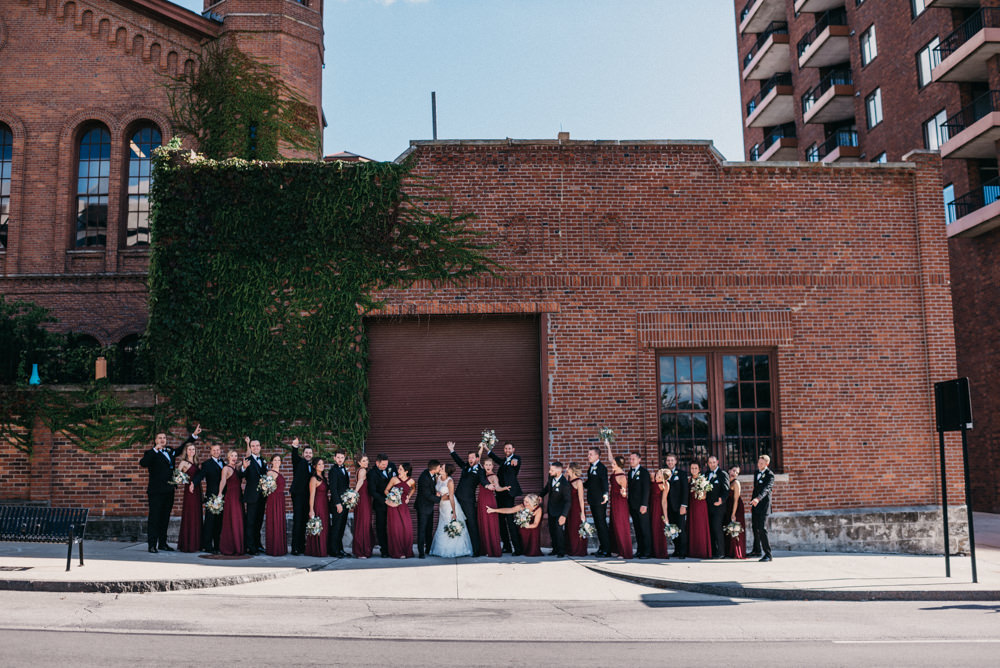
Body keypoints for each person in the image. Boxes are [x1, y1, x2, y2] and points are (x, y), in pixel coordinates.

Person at [138, 427, 197, 553]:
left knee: (165, 518)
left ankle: (163, 543)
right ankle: (152, 545)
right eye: (160, 438)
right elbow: (143, 463)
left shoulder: (170, 451)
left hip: (169, 490)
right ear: (155, 440)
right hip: (156, 491)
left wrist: (193, 436)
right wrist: (155, 450)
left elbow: (181, 449)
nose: (162, 440)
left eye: (164, 438)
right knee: (154, 518)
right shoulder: (150, 453)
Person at [447, 441, 489, 557]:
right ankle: (460, 548)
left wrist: (487, 485)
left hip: (469, 501)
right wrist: (452, 450)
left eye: (472, 457)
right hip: (457, 498)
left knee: (471, 524)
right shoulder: (465, 466)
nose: (470, 459)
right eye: (469, 457)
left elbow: (483, 480)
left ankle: (476, 550)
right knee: (457, 521)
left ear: (477, 458)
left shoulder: (480, 470)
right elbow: (458, 460)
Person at [430, 463, 474, 558]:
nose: (440, 468)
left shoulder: (450, 481)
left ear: (446, 471)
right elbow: (435, 491)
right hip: (441, 506)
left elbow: (451, 497)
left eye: (442, 468)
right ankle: (440, 549)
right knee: (442, 525)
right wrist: (437, 494)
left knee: (450, 523)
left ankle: (456, 549)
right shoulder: (437, 478)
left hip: (449, 506)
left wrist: (454, 512)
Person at [487, 440, 523, 555]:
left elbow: (517, 461)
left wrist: (515, 459)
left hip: (508, 494)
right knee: (501, 521)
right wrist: (487, 448)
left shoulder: (515, 459)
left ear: (513, 450)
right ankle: (507, 546)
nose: (507, 450)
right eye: (505, 449)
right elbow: (494, 457)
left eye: (509, 448)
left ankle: (517, 548)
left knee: (510, 520)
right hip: (500, 494)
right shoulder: (503, 461)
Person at [191, 441, 225, 554]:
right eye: (214, 450)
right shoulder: (207, 464)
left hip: (222, 497)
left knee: (219, 522)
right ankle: (207, 545)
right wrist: (193, 483)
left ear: (220, 451)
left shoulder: (223, 463)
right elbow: (200, 476)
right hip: (212, 497)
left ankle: (217, 546)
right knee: (210, 522)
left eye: (218, 450)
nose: (216, 452)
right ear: (211, 452)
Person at [605, 440, 633, 559]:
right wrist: (608, 446)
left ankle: (625, 551)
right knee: (614, 525)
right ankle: (615, 549)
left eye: (614, 464)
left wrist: (623, 492)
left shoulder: (622, 476)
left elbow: (625, 492)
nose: (612, 465)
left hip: (620, 503)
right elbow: (611, 459)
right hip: (614, 502)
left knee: (621, 525)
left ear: (619, 465)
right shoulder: (615, 471)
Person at [538, 461, 571, 557]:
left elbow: (568, 501)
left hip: (560, 511)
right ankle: (555, 549)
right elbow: (546, 489)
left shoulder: (565, 484)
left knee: (559, 531)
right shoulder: (551, 478)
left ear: (559, 471)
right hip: (551, 509)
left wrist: (564, 515)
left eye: (552, 470)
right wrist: (540, 495)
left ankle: (561, 551)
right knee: (552, 530)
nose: (549, 471)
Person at [241, 437, 267, 555]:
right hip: (252, 495)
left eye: (257, 446)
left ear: (260, 447)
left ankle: (258, 544)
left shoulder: (263, 460)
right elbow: (241, 475)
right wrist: (243, 468)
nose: (255, 448)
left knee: (259, 521)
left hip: (262, 496)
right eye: (253, 446)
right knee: (250, 522)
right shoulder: (247, 460)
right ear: (250, 448)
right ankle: (250, 547)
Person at [477, 454, 507, 557]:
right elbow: (478, 459)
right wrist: (481, 447)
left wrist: (504, 488)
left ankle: (493, 549)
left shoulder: (494, 476)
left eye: (490, 464)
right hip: (481, 500)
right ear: (484, 465)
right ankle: (485, 549)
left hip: (489, 500)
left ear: (493, 466)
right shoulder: (481, 474)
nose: (488, 466)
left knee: (490, 524)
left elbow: (497, 488)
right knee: (483, 524)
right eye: (486, 464)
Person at [584, 446, 611, 557]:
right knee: (598, 524)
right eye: (588, 454)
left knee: (602, 524)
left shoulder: (601, 468)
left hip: (600, 501)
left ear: (597, 456)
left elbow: (604, 482)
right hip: (592, 500)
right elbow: (589, 483)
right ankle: (601, 547)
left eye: (590, 454)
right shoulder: (590, 468)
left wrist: (605, 494)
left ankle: (607, 550)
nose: (588, 456)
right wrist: (578, 484)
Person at [369, 454, 397, 557]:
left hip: (394, 503)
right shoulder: (372, 473)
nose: (386, 466)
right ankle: (384, 550)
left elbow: (397, 481)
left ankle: (394, 548)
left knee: (393, 526)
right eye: (383, 464)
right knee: (381, 527)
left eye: (386, 464)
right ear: (377, 463)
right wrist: (385, 500)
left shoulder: (392, 466)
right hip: (380, 505)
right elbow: (372, 491)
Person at [289, 438, 314, 555]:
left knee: (304, 521)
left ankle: (302, 546)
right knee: (298, 520)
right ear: (303, 454)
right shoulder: (299, 462)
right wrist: (295, 447)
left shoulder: (313, 466)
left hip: (307, 497)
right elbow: (294, 456)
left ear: (312, 455)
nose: (308, 454)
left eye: (310, 453)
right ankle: (295, 547)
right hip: (298, 495)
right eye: (306, 453)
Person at [385, 463, 416, 559]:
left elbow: (414, 489)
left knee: (406, 528)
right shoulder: (394, 479)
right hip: (393, 506)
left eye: (401, 469)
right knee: (396, 529)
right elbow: (386, 490)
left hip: (404, 507)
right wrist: (391, 497)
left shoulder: (411, 481)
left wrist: (408, 497)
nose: (398, 471)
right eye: (399, 469)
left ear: (406, 471)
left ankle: (406, 551)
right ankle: (397, 552)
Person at [176, 440, 202, 553]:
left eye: (193, 449)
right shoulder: (183, 463)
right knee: (190, 514)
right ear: (186, 451)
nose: (191, 451)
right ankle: (188, 544)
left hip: (197, 490)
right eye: (189, 449)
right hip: (189, 491)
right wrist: (183, 480)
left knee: (197, 514)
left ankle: (197, 544)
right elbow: (176, 476)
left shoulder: (197, 463)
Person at [218, 449, 245, 556]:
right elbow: (223, 480)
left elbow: (247, 457)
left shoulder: (237, 467)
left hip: (239, 496)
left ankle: (238, 546)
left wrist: (247, 445)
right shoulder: (226, 468)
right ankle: (229, 547)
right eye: (232, 456)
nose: (234, 457)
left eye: (235, 455)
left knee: (239, 519)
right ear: (228, 457)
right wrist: (220, 492)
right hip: (231, 496)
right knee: (231, 519)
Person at [749, 455, 775, 562]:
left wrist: (758, 499)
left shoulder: (770, 475)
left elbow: (766, 489)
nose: (759, 465)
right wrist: (753, 500)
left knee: (762, 528)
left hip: (763, 504)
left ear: (767, 464)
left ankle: (768, 554)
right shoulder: (756, 473)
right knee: (755, 527)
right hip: (755, 504)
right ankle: (756, 550)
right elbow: (756, 488)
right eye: (758, 463)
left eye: (762, 464)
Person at [627, 451, 652, 559]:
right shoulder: (629, 472)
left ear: (639, 460)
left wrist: (644, 505)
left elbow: (646, 489)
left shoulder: (644, 472)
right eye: (630, 459)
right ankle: (640, 550)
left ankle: (647, 552)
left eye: (633, 459)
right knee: (637, 528)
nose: (631, 461)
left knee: (644, 529)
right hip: (633, 505)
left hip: (642, 506)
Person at [705, 454, 730, 559]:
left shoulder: (722, 474)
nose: (712, 464)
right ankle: (713, 551)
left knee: (717, 528)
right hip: (708, 507)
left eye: (713, 462)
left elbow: (726, 490)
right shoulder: (706, 474)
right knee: (710, 529)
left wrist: (721, 500)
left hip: (719, 507)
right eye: (710, 463)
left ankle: (721, 552)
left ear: (718, 462)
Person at [664, 453, 689, 559]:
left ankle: (683, 551)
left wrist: (684, 505)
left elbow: (685, 491)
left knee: (681, 529)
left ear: (675, 462)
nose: (670, 462)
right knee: (672, 529)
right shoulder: (664, 474)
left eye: (672, 460)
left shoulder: (682, 474)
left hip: (679, 507)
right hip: (669, 507)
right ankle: (676, 549)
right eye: (668, 460)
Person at [415, 460, 442, 559]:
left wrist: (436, 493)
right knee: (422, 530)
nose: (440, 469)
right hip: (423, 507)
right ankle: (421, 552)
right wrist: (440, 500)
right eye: (439, 467)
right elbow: (427, 494)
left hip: (429, 507)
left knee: (429, 529)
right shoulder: (424, 477)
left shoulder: (432, 475)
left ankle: (428, 549)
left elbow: (432, 491)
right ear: (434, 469)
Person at [686, 461, 712, 559]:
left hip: (700, 505)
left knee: (700, 527)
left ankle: (702, 551)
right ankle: (693, 551)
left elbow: (704, 496)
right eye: (692, 468)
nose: (693, 470)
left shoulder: (702, 480)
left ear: (699, 469)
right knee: (692, 527)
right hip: (691, 505)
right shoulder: (689, 480)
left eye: (695, 468)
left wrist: (701, 493)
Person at [328, 450, 350, 558]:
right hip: (338, 504)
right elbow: (333, 489)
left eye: (342, 457)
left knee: (341, 527)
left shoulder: (344, 469)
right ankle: (333, 550)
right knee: (336, 527)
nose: (340, 459)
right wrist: (337, 503)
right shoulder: (333, 471)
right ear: (334, 458)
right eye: (338, 457)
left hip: (345, 503)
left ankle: (340, 549)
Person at [264, 454, 287, 557]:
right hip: (274, 499)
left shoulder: (279, 472)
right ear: (271, 462)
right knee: (274, 520)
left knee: (279, 521)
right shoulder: (270, 473)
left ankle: (280, 547)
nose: (277, 462)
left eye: (279, 460)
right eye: (275, 460)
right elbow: (266, 487)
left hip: (280, 499)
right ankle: (274, 548)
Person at [306, 458, 329, 558]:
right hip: (318, 505)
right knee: (318, 526)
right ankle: (317, 550)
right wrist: (311, 510)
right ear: (315, 466)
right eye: (319, 464)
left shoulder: (323, 478)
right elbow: (311, 496)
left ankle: (324, 549)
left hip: (325, 505)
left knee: (325, 527)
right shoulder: (313, 479)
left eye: (323, 464)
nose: (321, 466)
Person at [351, 455, 373, 559]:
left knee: (362, 522)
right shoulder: (362, 470)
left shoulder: (360, 470)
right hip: (363, 499)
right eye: (363, 461)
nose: (366, 462)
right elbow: (360, 481)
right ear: (359, 463)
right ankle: (362, 551)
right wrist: (355, 493)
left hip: (364, 499)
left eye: (367, 460)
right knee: (363, 523)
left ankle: (361, 549)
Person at [565, 463, 589, 557]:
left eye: (568, 468)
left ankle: (578, 549)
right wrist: (566, 475)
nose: (566, 469)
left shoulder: (579, 482)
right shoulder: (567, 479)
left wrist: (582, 512)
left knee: (576, 528)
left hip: (576, 508)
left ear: (572, 469)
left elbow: (581, 498)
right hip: (568, 508)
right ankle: (569, 548)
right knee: (569, 528)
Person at [725, 465, 746, 560]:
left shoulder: (736, 483)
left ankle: (737, 551)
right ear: (729, 470)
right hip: (728, 506)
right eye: (733, 471)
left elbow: (736, 500)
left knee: (735, 528)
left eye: (737, 473)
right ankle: (729, 550)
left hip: (736, 507)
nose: (734, 473)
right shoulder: (726, 481)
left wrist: (733, 513)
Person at [649, 468, 670, 559]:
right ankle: (651, 550)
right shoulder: (652, 477)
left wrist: (666, 517)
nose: (657, 477)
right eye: (657, 474)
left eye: (659, 477)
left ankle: (659, 551)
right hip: (649, 504)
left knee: (657, 528)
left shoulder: (665, 485)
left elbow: (664, 501)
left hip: (657, 508)